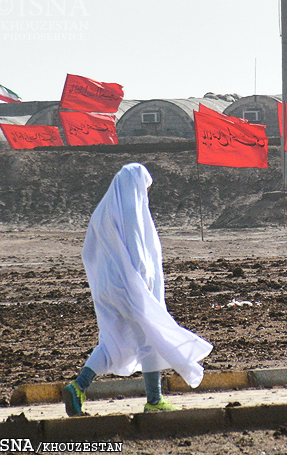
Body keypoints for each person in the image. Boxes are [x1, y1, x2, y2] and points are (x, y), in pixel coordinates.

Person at [63, 163, 213, 416]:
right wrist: (143, 281)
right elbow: (137, 245)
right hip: (130, 284)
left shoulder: (103, 211)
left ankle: (78, 387)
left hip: (108, 287)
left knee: (113, 340)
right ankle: (154, 400)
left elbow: (89, 252)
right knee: (149, 338)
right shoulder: (131, 208)